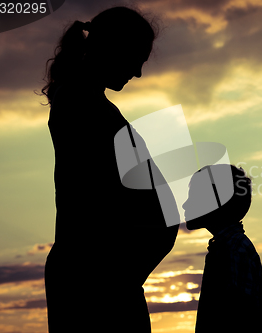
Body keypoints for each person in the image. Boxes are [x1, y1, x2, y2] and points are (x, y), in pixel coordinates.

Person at [41, 6, 179, 333]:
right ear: (117, 49)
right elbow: (95, 195)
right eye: (138, 59)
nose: (139, 73)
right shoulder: (78, 102)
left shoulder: (89, 102)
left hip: (107, 277)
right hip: (94, 278)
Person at [183, 164, 262, 333]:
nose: (185, 204)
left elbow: (234, 317)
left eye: (193, 196)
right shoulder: (231, 247)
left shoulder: (231, 251)